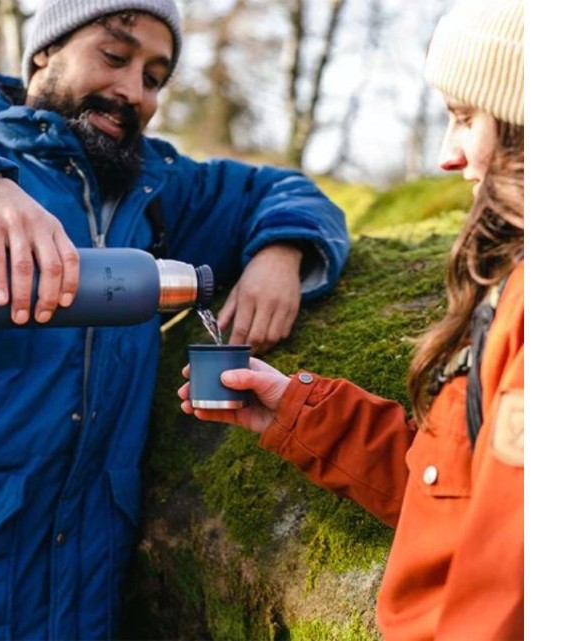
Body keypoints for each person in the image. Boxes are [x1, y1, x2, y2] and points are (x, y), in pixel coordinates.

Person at [0, 0, 350, 638]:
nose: (132, 90)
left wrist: (281, 251)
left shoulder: (155, 193)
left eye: (155, 77)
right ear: (44, 51)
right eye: (114, 55)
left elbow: (284, 190)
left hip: (82, 593)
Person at [179, 0, 524, 638]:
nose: (447, 155)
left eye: (465, 117)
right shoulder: (511, 286)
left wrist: (283, 246)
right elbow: (453, 497)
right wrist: (293, 409)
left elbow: (510, 579)